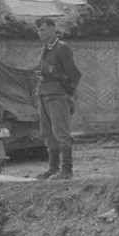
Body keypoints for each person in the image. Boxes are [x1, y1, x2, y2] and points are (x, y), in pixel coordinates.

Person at [34, 17, 81, 180]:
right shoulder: (46, 48)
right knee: (47, 133)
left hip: (57, 96)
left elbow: (74, 75)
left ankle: (67, 170)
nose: (41, 33)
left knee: (62, 133)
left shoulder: (62, 48)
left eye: (44, 29)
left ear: (53, 29)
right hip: (44, 94)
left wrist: (53, 73)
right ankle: (53, 169)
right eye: (39, 30)